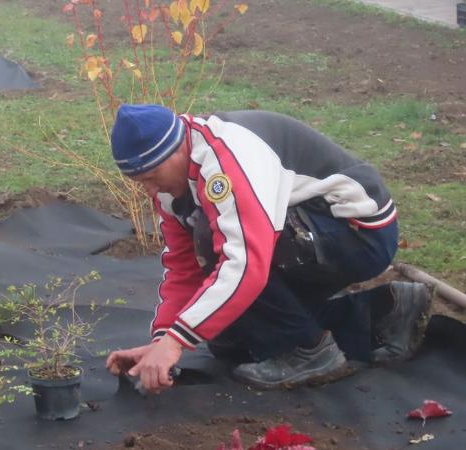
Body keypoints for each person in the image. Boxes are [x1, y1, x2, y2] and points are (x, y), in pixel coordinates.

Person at [104, 104, 431, 391]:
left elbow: (245, 262)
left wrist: (177, 342)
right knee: (229, 340)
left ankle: (308, 352)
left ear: (176, 149)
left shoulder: (225, 159)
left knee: (217, 244)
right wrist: (163, 341)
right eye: (139, 182)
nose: (149, 189)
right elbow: (183, 265)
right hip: (306, 233)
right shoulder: (169, 188)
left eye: (152, 175)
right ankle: (386, 309)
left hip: (357, 232)